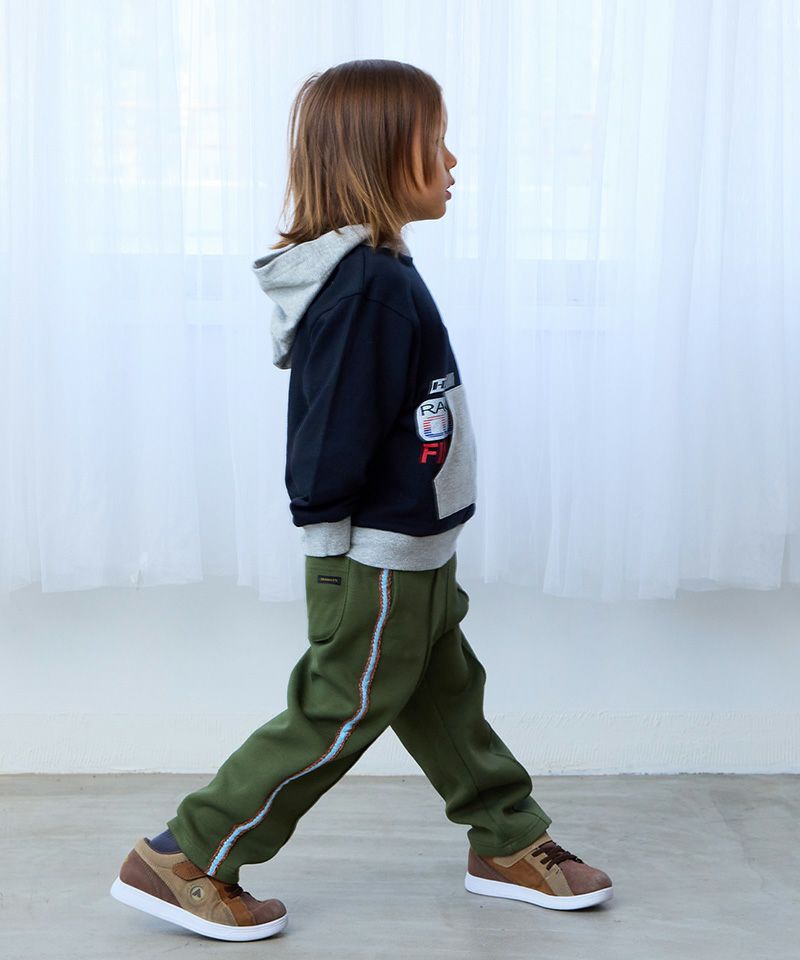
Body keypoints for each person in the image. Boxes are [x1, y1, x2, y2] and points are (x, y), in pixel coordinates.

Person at [109, 58, 613, 943]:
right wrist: (334, 553)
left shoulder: (383, 272)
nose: (452, 161)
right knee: (336, 711)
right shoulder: (368, 287)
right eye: (435, 143)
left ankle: (506, 837)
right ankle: (187, 853)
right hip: (376, 555)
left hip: (414, 545)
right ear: (381, 156)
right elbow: (328, 436)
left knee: (447, 697)